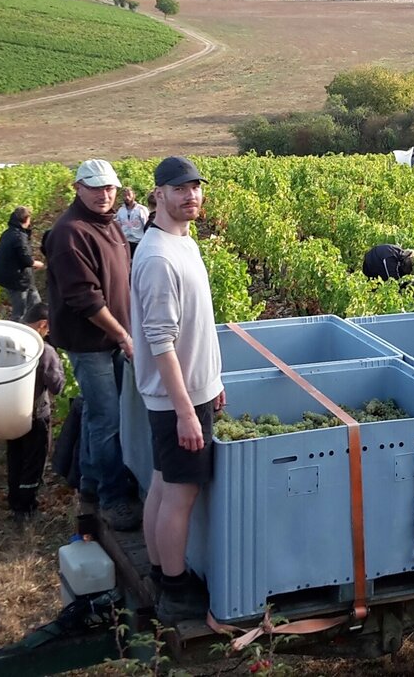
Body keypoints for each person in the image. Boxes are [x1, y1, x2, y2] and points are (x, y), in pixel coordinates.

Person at [131, 155, 225, 623]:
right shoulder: (156, 258)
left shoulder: (181, 243)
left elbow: (196, 326)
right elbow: (160, 342)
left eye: (195, 187)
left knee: (163, 483)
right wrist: (187, 411)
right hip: (177, 399)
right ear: (159, 194)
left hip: (191, 391)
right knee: (181, 493)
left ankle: (156, 570)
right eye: (179, 188)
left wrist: (214, 380)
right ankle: (174, 588)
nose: (191, 195)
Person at [43, 159, 139, 532]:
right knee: (107, 419)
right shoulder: (69, 234)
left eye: (110, 188)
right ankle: (112, 497)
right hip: (92, 343)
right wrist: (123, 335)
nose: (104, 195)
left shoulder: (110, 225)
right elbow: (86, 300)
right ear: (77, 187)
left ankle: (90, 482)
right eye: (96, 187)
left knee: (102, 414)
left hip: (114, 337)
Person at [8, 302, 66, 525]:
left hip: (8, 412)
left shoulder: (7, 341)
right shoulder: (44, 350)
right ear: (42, 325)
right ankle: (27, 506)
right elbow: (56, 386)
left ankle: (15, 501)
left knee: (15, 458)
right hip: (36, 414)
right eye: (48, 329)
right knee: (34, 460)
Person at [0, 205, 44, 322]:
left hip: (20, 277)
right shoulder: (19, 236)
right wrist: (38, 264)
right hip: (17, 280)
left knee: (37, 305)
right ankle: (18, 333)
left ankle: (39, 328)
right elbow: (27, 260)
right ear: (26, 219)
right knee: (20, 312)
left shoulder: (8, 233)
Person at [115, 187, 149, 259]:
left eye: (129, 195)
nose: (127, 197)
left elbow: (147, 225)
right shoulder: (121, 210)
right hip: (126, 241)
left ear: (133, 195)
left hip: (138, 241)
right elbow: (117, 225)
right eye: (124, 195)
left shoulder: (141, 209)